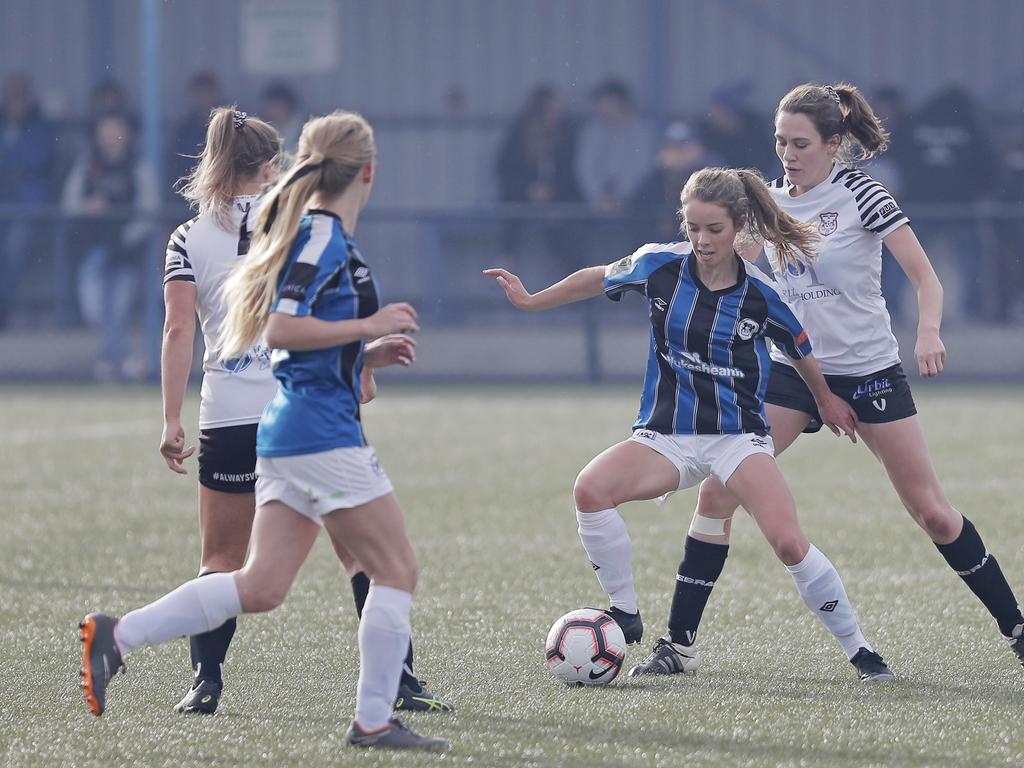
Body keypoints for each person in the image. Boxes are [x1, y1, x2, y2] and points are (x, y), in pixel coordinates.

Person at [79, 110, 449, 752]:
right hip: (322, 433)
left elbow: (271, 340)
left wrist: (365, 357)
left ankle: (117, 636)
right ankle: (374, 720)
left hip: (278, 427)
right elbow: (279, 331)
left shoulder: (286, 233)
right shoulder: (318, 237)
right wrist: (366, 330)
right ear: (367, 170)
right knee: (395, 568)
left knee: (260, 586)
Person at [642, 82, 1024, 678]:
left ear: (834, 143)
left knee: (934, 514)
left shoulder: (863, 196)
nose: (788, 154)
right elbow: (714, 258)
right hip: (793, 374)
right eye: (780, 142)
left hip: (870, 371)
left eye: (801, 143)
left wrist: (928, 332)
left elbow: (926, 278)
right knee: (717, 493)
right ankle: (678, 646)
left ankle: (1018, 628)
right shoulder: (765, 205)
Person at [485, 166, 894, 683]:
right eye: (693, 227)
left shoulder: (762, 296)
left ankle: (861, 652)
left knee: (789, 543)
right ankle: (625, 612)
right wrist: (531, 300)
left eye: (714, 230)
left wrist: (826, 399)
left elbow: (801, 349)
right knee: (590, 489)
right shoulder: (659, 265)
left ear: (740, 226)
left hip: (737, 438)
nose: (702, 240)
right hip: (667, 436)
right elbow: (597, 276)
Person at [61, 112, 159, 380]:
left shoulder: (137, 166)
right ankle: (122, 357)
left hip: (126, 254)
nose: (110, 138)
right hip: (94, 252)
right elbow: (68, 204)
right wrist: (87, 207)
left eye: (116, 131)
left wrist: (126, 236)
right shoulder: (88, 165)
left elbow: (148, 211)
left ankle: (112, 360)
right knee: (94, 310)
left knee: (118, 309)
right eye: (105, 132)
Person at [0, 72, 55, 328]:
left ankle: (5, 308)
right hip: (5, 206)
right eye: (11, 96)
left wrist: (12, 171)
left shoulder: (40, 127)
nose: (15, 102)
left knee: (13, 247)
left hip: (29, 207)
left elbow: (32, 163)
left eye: (19, 96)